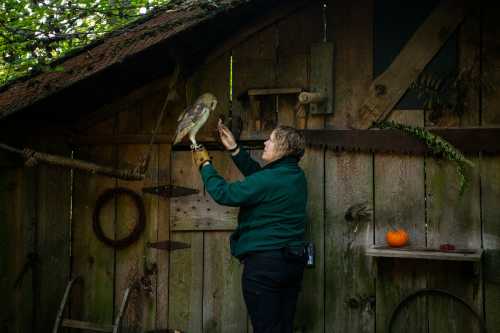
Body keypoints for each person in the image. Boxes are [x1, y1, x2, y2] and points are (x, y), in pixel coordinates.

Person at [191, 119, 308, 333]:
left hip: (265, 266)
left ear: (284, 149)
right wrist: (234, 149)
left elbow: (224, 193)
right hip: (292, 262)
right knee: (284, 327)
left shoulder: (270, 180)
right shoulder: (295, 176)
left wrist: (204, 164)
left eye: (271, 140)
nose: (265, 142)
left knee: (266, 328)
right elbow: (260, 178)